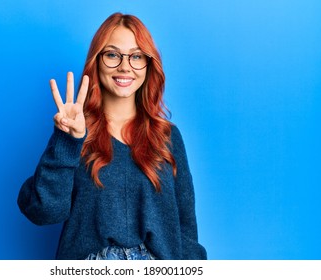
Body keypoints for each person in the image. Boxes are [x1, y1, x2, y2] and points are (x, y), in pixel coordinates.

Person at [18, 12, 207, 260]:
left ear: (149, 65)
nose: (125, 66)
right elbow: (44, 212)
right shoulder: (75, 133)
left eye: (136, 56)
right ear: (97, 61)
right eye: (112, 54)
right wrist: (66, 140)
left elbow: (186, 230)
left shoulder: (168, 137)